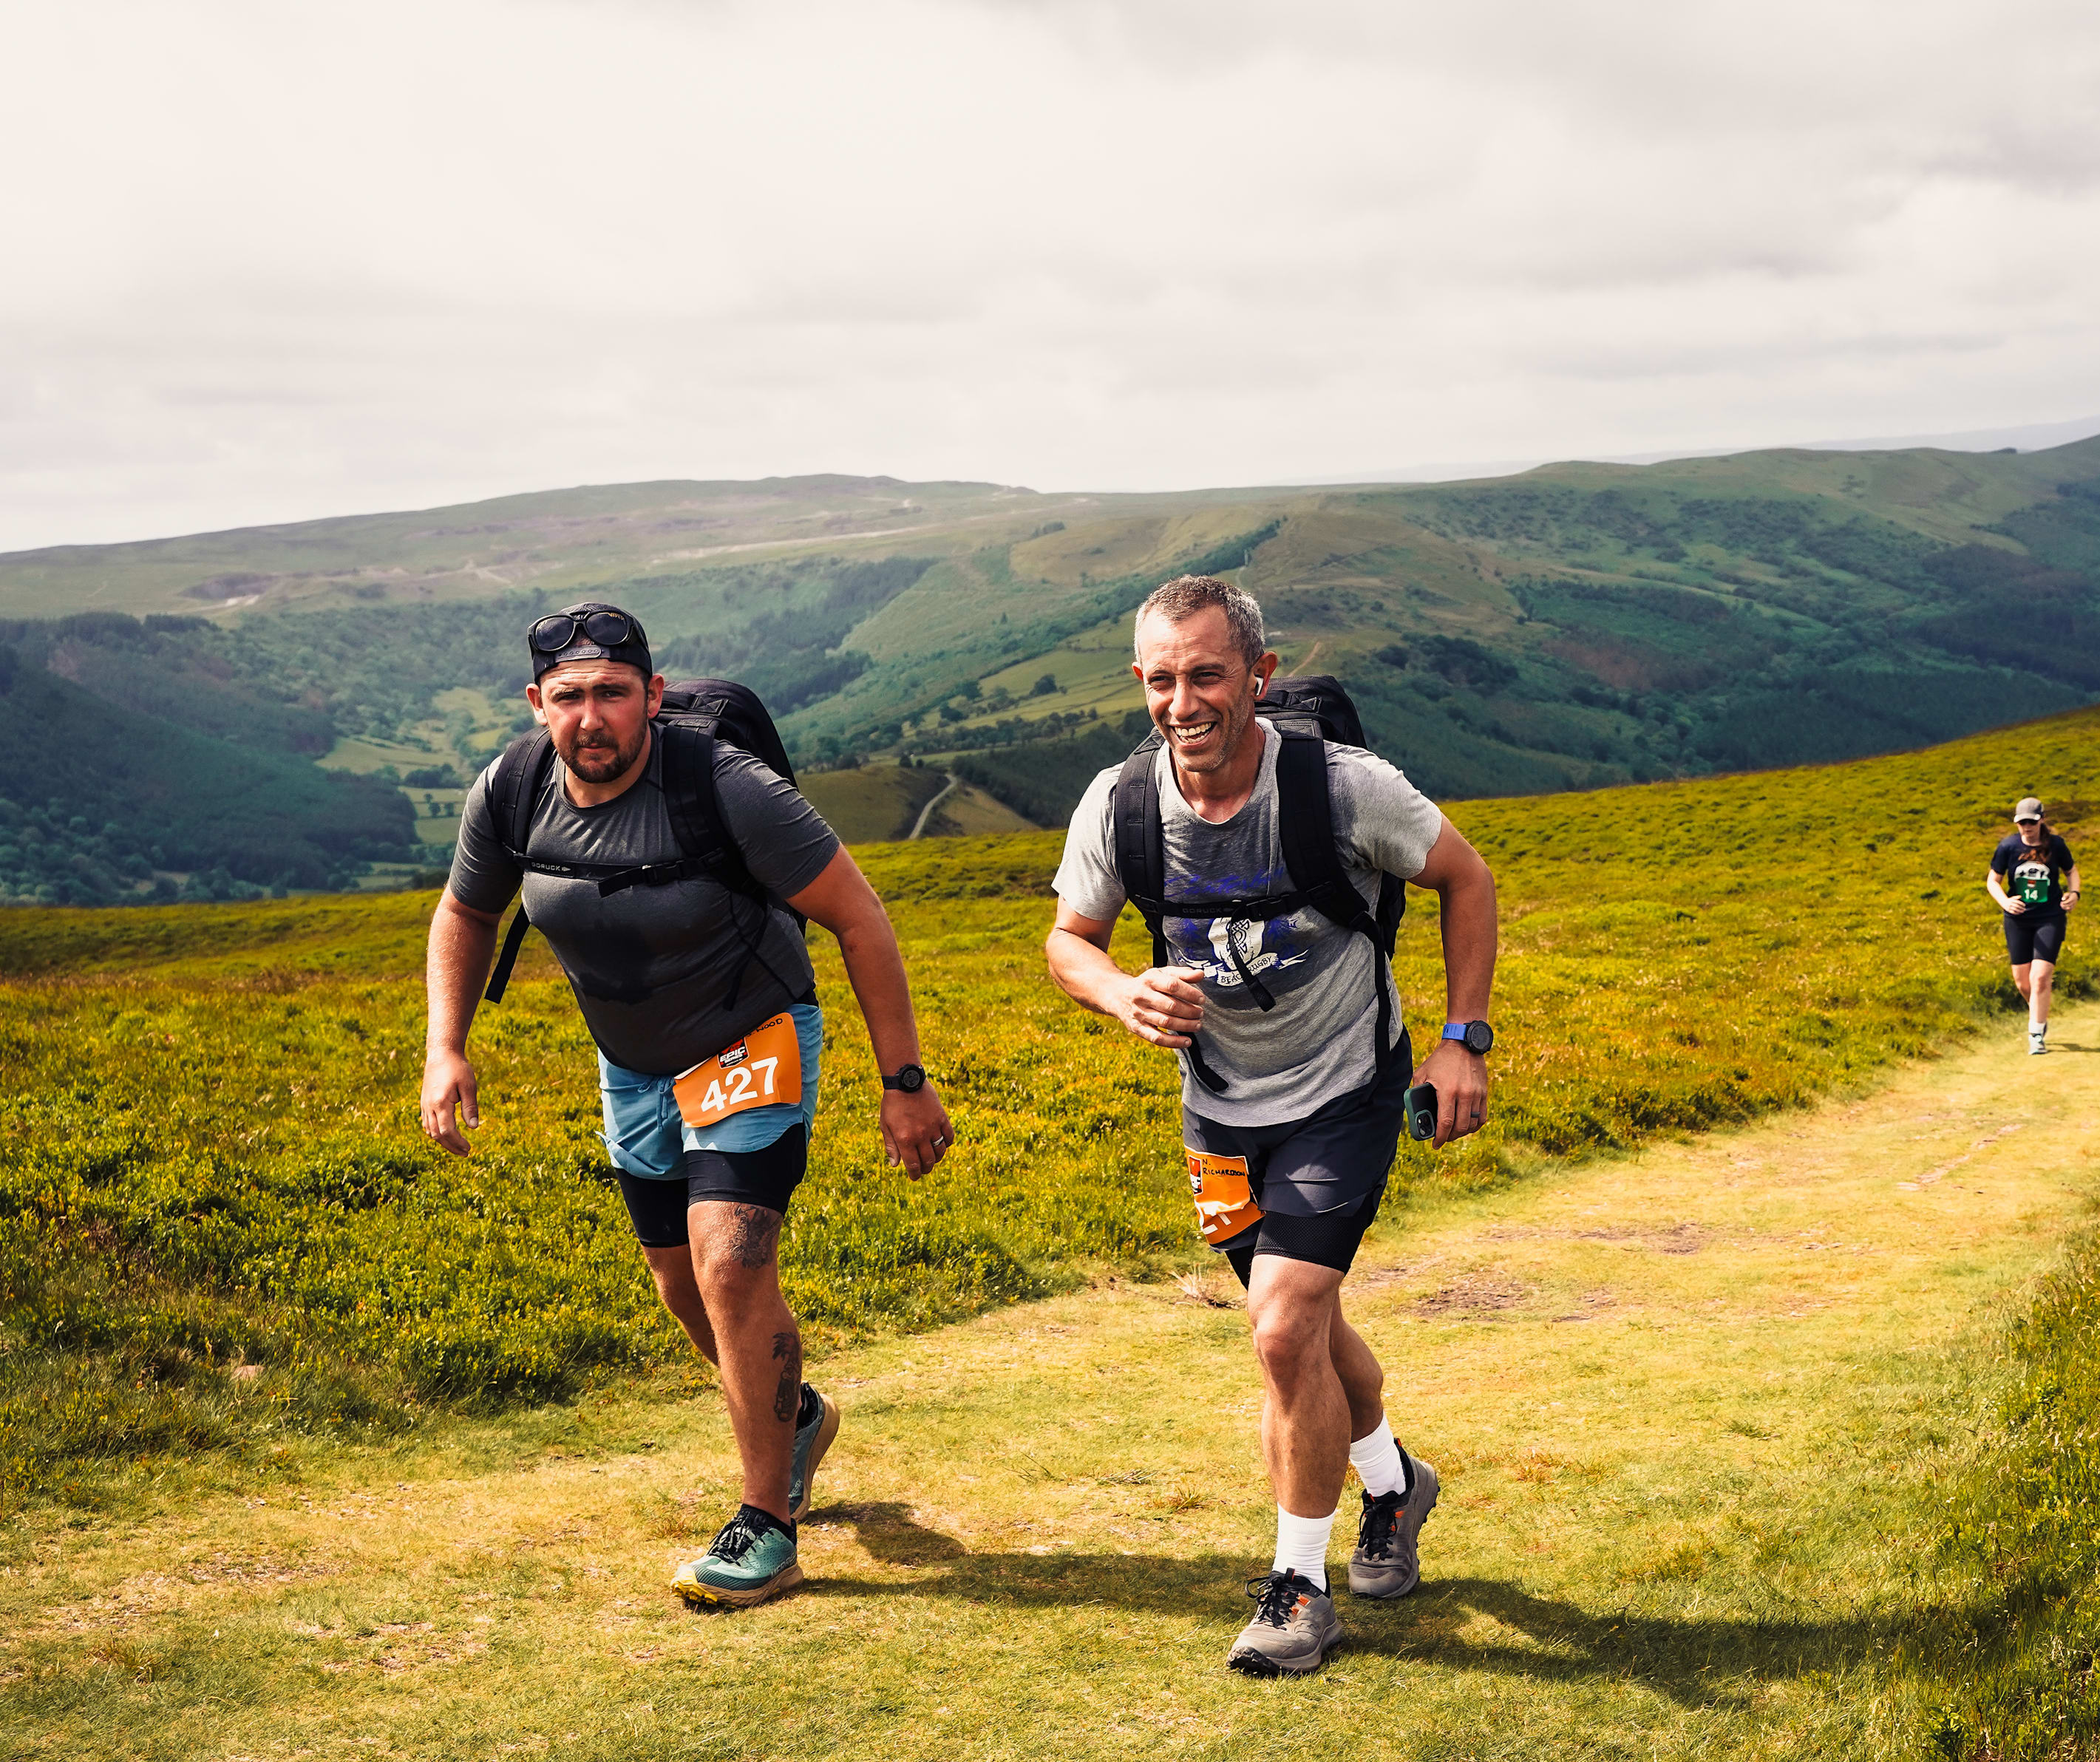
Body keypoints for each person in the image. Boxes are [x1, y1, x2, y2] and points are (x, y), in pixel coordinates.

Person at [418, 603, 954, 1610]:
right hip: (633, 1064)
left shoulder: (724, 787)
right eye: (569, 697)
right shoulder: (513, 789)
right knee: (681, 1287)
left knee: (730, 1262)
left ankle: (766, 1526)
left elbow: (858, 916)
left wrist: (905, 1083)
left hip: (753, 1034)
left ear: (653, 698)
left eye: (615, 694)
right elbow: (466, 908)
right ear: (537, 705)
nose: (593, 718)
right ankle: (791, 1417)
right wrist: (446, 1047)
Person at [1044, 574, 1500, 1677]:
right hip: (1220, 1107)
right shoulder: (1120, 804)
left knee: (1283, 1328)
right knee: (1300, 1330)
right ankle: (1394, 1485)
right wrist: (1118, 991)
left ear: (1261, 673)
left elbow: (1464, 877)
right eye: (1161, 679)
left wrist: (1462, 1040)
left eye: (1206, 674)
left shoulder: (1347, 789)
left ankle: (1299, 1589)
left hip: (1344, 1090)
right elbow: (1070, 941)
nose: (1183, 700)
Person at [1987, 796, 2079, 1055]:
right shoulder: (2007, 847)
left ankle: (2036, 1035)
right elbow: (1993, 881)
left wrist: (2074, 894)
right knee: (2022, 982)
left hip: (2050, 916)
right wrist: (2005, 902)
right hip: (2017, 919)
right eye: (2022, 822)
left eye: (2031, 822)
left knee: (2039, 978)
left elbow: (2071, 872)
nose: (2026, 827)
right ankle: (2040, 1015)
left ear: (2042, 820)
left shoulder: (2056, 845)